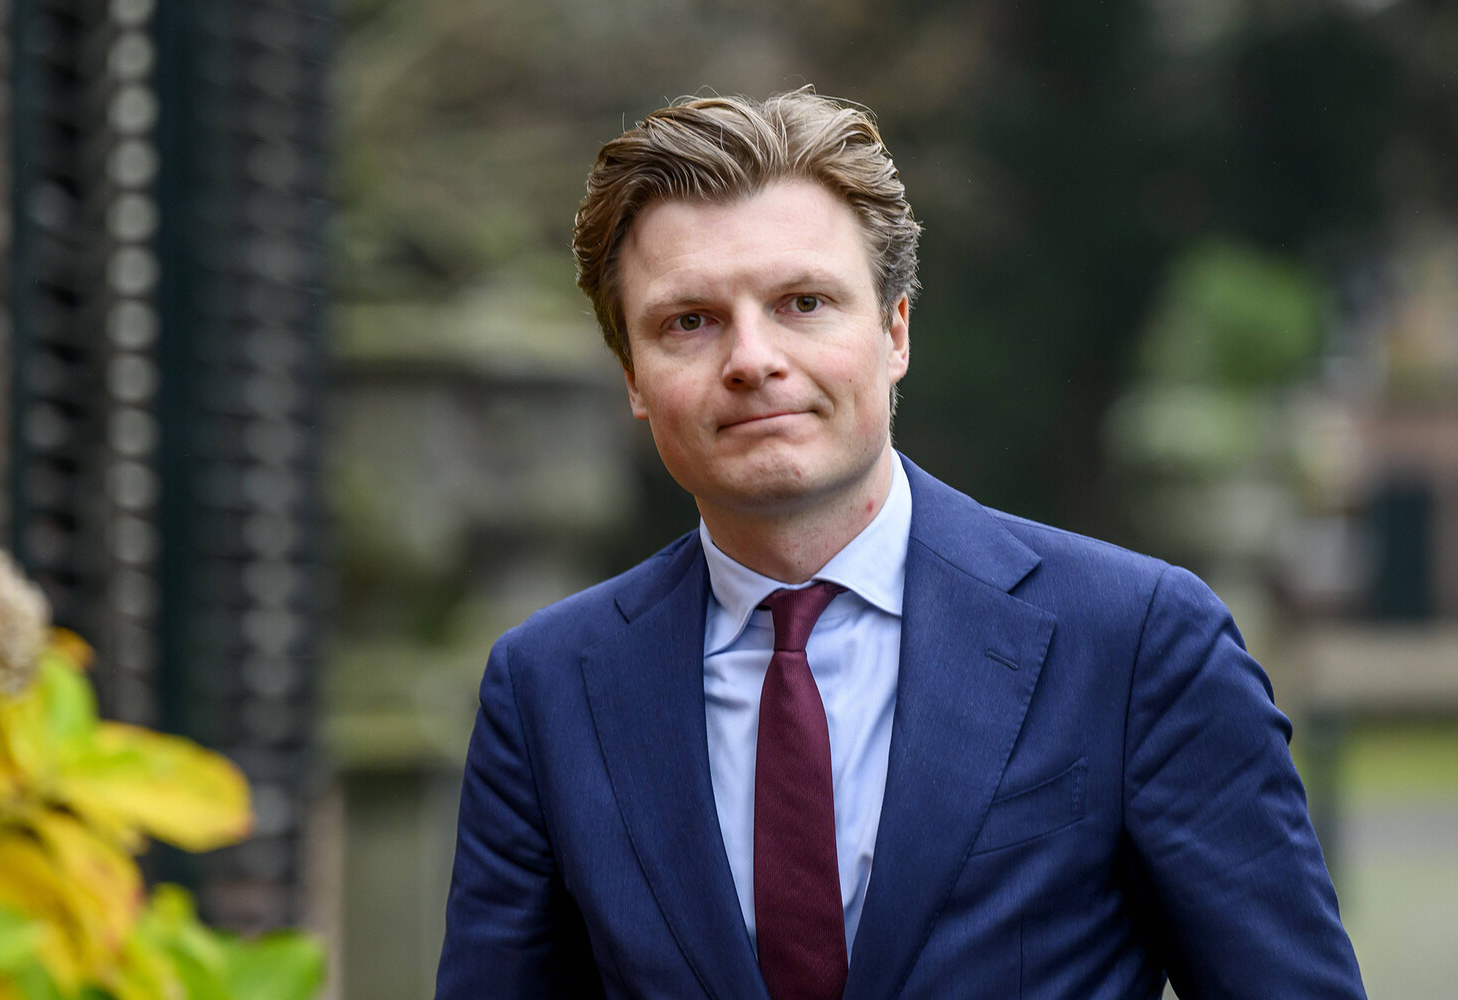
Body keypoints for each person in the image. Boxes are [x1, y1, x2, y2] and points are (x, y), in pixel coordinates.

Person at [434, 88, 1366, 1000]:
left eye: (803, 302)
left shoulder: (1135, 642)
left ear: (895, 333)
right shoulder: (547, 689)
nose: (752, 359)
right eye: (690, 321)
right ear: (634, 377)